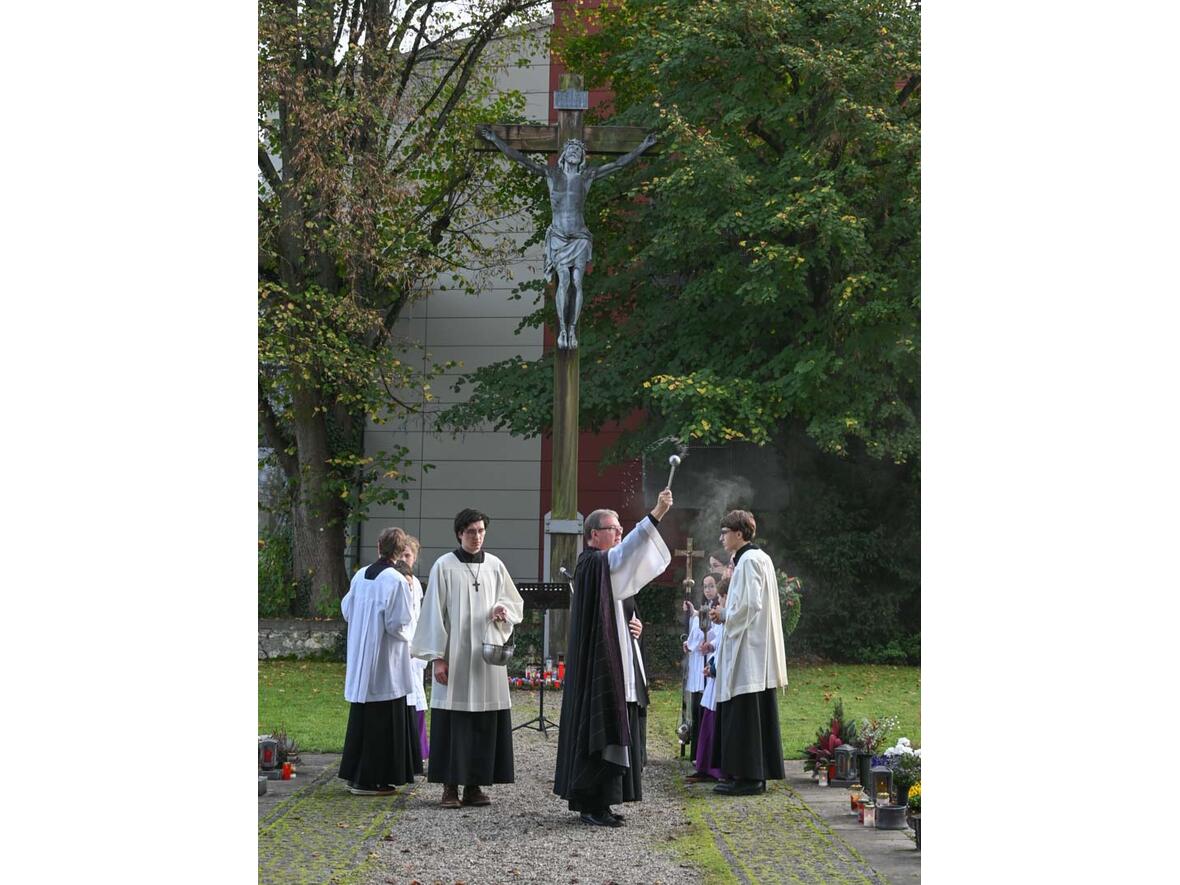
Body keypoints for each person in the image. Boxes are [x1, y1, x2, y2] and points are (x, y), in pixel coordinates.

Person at [553, 488, 674, 827]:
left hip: (618, 659)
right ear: (594, 535)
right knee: (599, 729)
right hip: (598, 667)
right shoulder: (592, 563)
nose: (619, 533)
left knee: (617, 728)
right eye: (613, 529)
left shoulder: (605, 565)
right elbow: (624, 559)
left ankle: (605, 802)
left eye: (621, 529)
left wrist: (633, 622)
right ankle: (592, 804)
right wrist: (655, 516)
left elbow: (623, 588)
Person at [477, 125, 658, 350]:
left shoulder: (588, 176)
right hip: (559, 236)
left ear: (582, 156)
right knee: (563, 281)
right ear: (564, 154)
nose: (574, 152)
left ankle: (572, 328)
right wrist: (495, 139)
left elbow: (619, 164)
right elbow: (522, 159)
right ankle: (563, 330)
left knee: (577, 282)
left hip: (580, 237)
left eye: (577, 150)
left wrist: (643, 146)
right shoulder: (552, 174)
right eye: (570, 148)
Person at [411, 509, 524, 809]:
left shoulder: (495, 565)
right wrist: (437, 658)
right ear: (459, 533)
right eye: (471, 531)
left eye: (481, 531)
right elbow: (433, 612)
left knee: (484, 720)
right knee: (454, 719)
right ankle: (450, 787)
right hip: (456, 655)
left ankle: (474, 786)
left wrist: (503, 611)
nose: (477, 537)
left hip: (486, 658)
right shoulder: (444, 566)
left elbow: (513, 603)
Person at [708, 510, 789, 795]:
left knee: (745, 713)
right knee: (744, 711)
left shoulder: (750, 560)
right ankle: (740, 773)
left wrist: (725, 615)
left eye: (725, 531)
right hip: (748, 645)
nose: (721, 537)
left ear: (739, 533)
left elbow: (751, 604)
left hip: (748, 648)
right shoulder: (754, 558)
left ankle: (750, 778)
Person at [338, 527, 422, 795]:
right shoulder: (396, 581)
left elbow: (347, 609)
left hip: (362, 657)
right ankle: (370, 779)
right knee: (382, 722)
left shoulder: (361, 575)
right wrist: (411, 637)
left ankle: (356, 775)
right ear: (399, 553)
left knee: (363, 717)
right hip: (386, 660)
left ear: (378, 547)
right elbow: (398, 624)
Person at [690, 578, 729, 784]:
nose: (720, 602)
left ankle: (715, 769)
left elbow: (727, 644)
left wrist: (713, 666)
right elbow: (719, 640)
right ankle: (705, 765)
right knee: (708, 719)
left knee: (714, 722)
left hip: (720, 678)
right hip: (714, 676)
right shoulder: (724, 619)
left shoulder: (730, 617)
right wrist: (711, 650)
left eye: (722, 597)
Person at [395, 534, 430, 762]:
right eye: (401, 554)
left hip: (413, 650)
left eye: (408, 555)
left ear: (414, 558)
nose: (404, 559)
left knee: (416, 700)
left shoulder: (415, 583)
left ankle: (420, 752)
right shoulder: (393, 581)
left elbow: (418, 618)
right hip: (397, 648)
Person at [681, 573, 718, 769]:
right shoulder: (702, 611)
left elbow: (712, 633)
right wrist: (689, 643)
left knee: (705, 710)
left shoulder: (718, 611)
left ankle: (703, 754)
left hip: (708, 661)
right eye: (705, 586)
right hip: (697, 663)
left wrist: (704, 644)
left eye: (711, 586)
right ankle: (695, 751)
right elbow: (696, 630)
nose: (708, 590)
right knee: (695, 709)